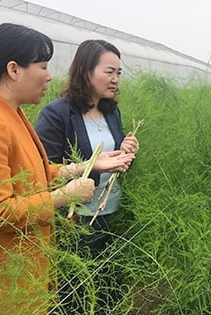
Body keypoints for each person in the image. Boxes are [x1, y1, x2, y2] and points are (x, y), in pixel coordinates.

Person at [0, 23, 133, 314]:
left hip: (19, 272)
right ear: (14, 70)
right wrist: (63, 197)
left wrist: (84, 166)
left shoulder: (9, 113)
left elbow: (31, 174)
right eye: (43, 66)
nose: (49, 76)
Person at [35, 39, 139, 314]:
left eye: (119, 73)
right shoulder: (57, 114)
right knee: (76, 289)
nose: (116, 79)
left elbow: (111, 159)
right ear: (85, 70)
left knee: (106, 285)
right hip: (75, 219)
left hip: (110, 212)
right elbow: (44, 171)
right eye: (109, 71)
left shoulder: (110, 112)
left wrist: (126, 151)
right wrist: (93, 167)